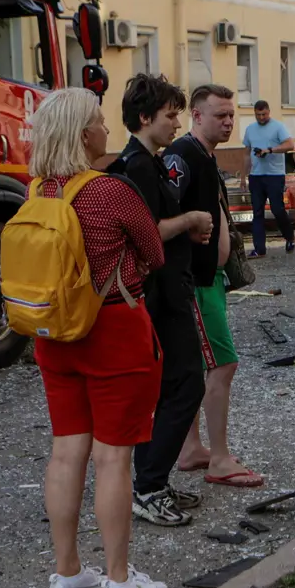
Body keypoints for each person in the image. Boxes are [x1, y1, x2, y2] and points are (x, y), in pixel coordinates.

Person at [28, 88, 170, 588]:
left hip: (55, 335)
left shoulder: (36, 191)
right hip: (112, 329)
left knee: (66, 451)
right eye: (97, 121)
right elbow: (154, 252)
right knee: (115, 458)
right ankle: (118, 580)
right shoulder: (110, 192)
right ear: (83, 135)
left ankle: (66, 572)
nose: (106, 127)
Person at [111, 76, 213, 528]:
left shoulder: (147, 161)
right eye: (170, 114)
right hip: (160, 294)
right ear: (145, 117)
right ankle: (148, 486)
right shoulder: (135, 166)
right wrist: (190, 218)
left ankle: (152, 481)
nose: (176, 122)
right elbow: (147, 230)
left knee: (176, 385)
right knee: (186, 383)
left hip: (168, 290)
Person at [170, 85, 265, 488]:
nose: (227, 122)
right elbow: (162, 216)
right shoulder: (184, 156)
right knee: (222, 364)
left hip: (208, 279)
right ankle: (220, 458)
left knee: (194, 367)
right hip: (196, 283)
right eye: (219, 115)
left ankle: (191, 448)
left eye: (231, 115)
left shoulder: (203, 157)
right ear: (196, 115)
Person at [241, 100, 295, 258]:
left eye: (264, 114)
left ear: (269, 112)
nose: (261, 117)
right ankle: (259, 249)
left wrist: (270, 150)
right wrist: (243, 177)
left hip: (275, 175)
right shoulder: (250, 129)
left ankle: (289, 236)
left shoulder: (278, 127)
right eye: (258, 115)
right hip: (256, 176)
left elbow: (290, 145)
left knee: (277, 209)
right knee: (257, 213)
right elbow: (246, 154)